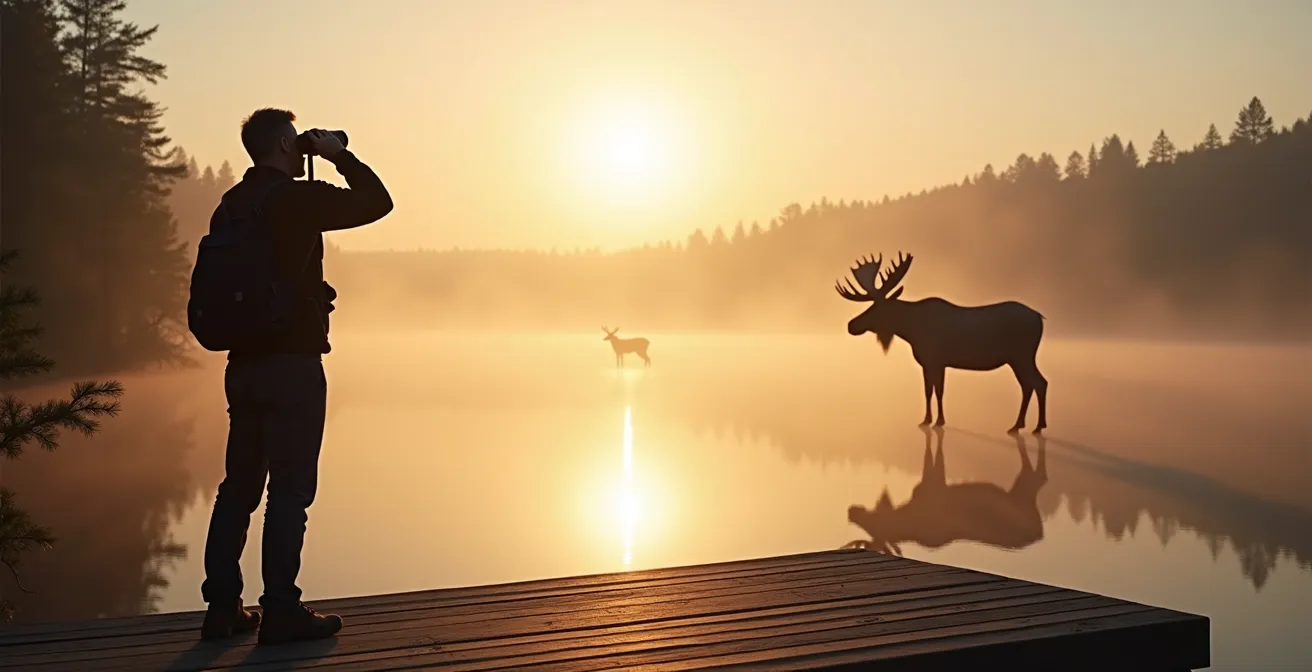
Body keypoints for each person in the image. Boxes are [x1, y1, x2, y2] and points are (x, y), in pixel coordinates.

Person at [198, 108, 393, 645]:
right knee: (289, 492)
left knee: (238, 488)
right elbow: (377, 202)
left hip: (243, 366)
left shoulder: (231, 204)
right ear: (287, 145)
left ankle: (221, 609)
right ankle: (281, 611)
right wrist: (338, 154)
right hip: (293, 366)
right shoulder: (295, 198)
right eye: (298, 139)